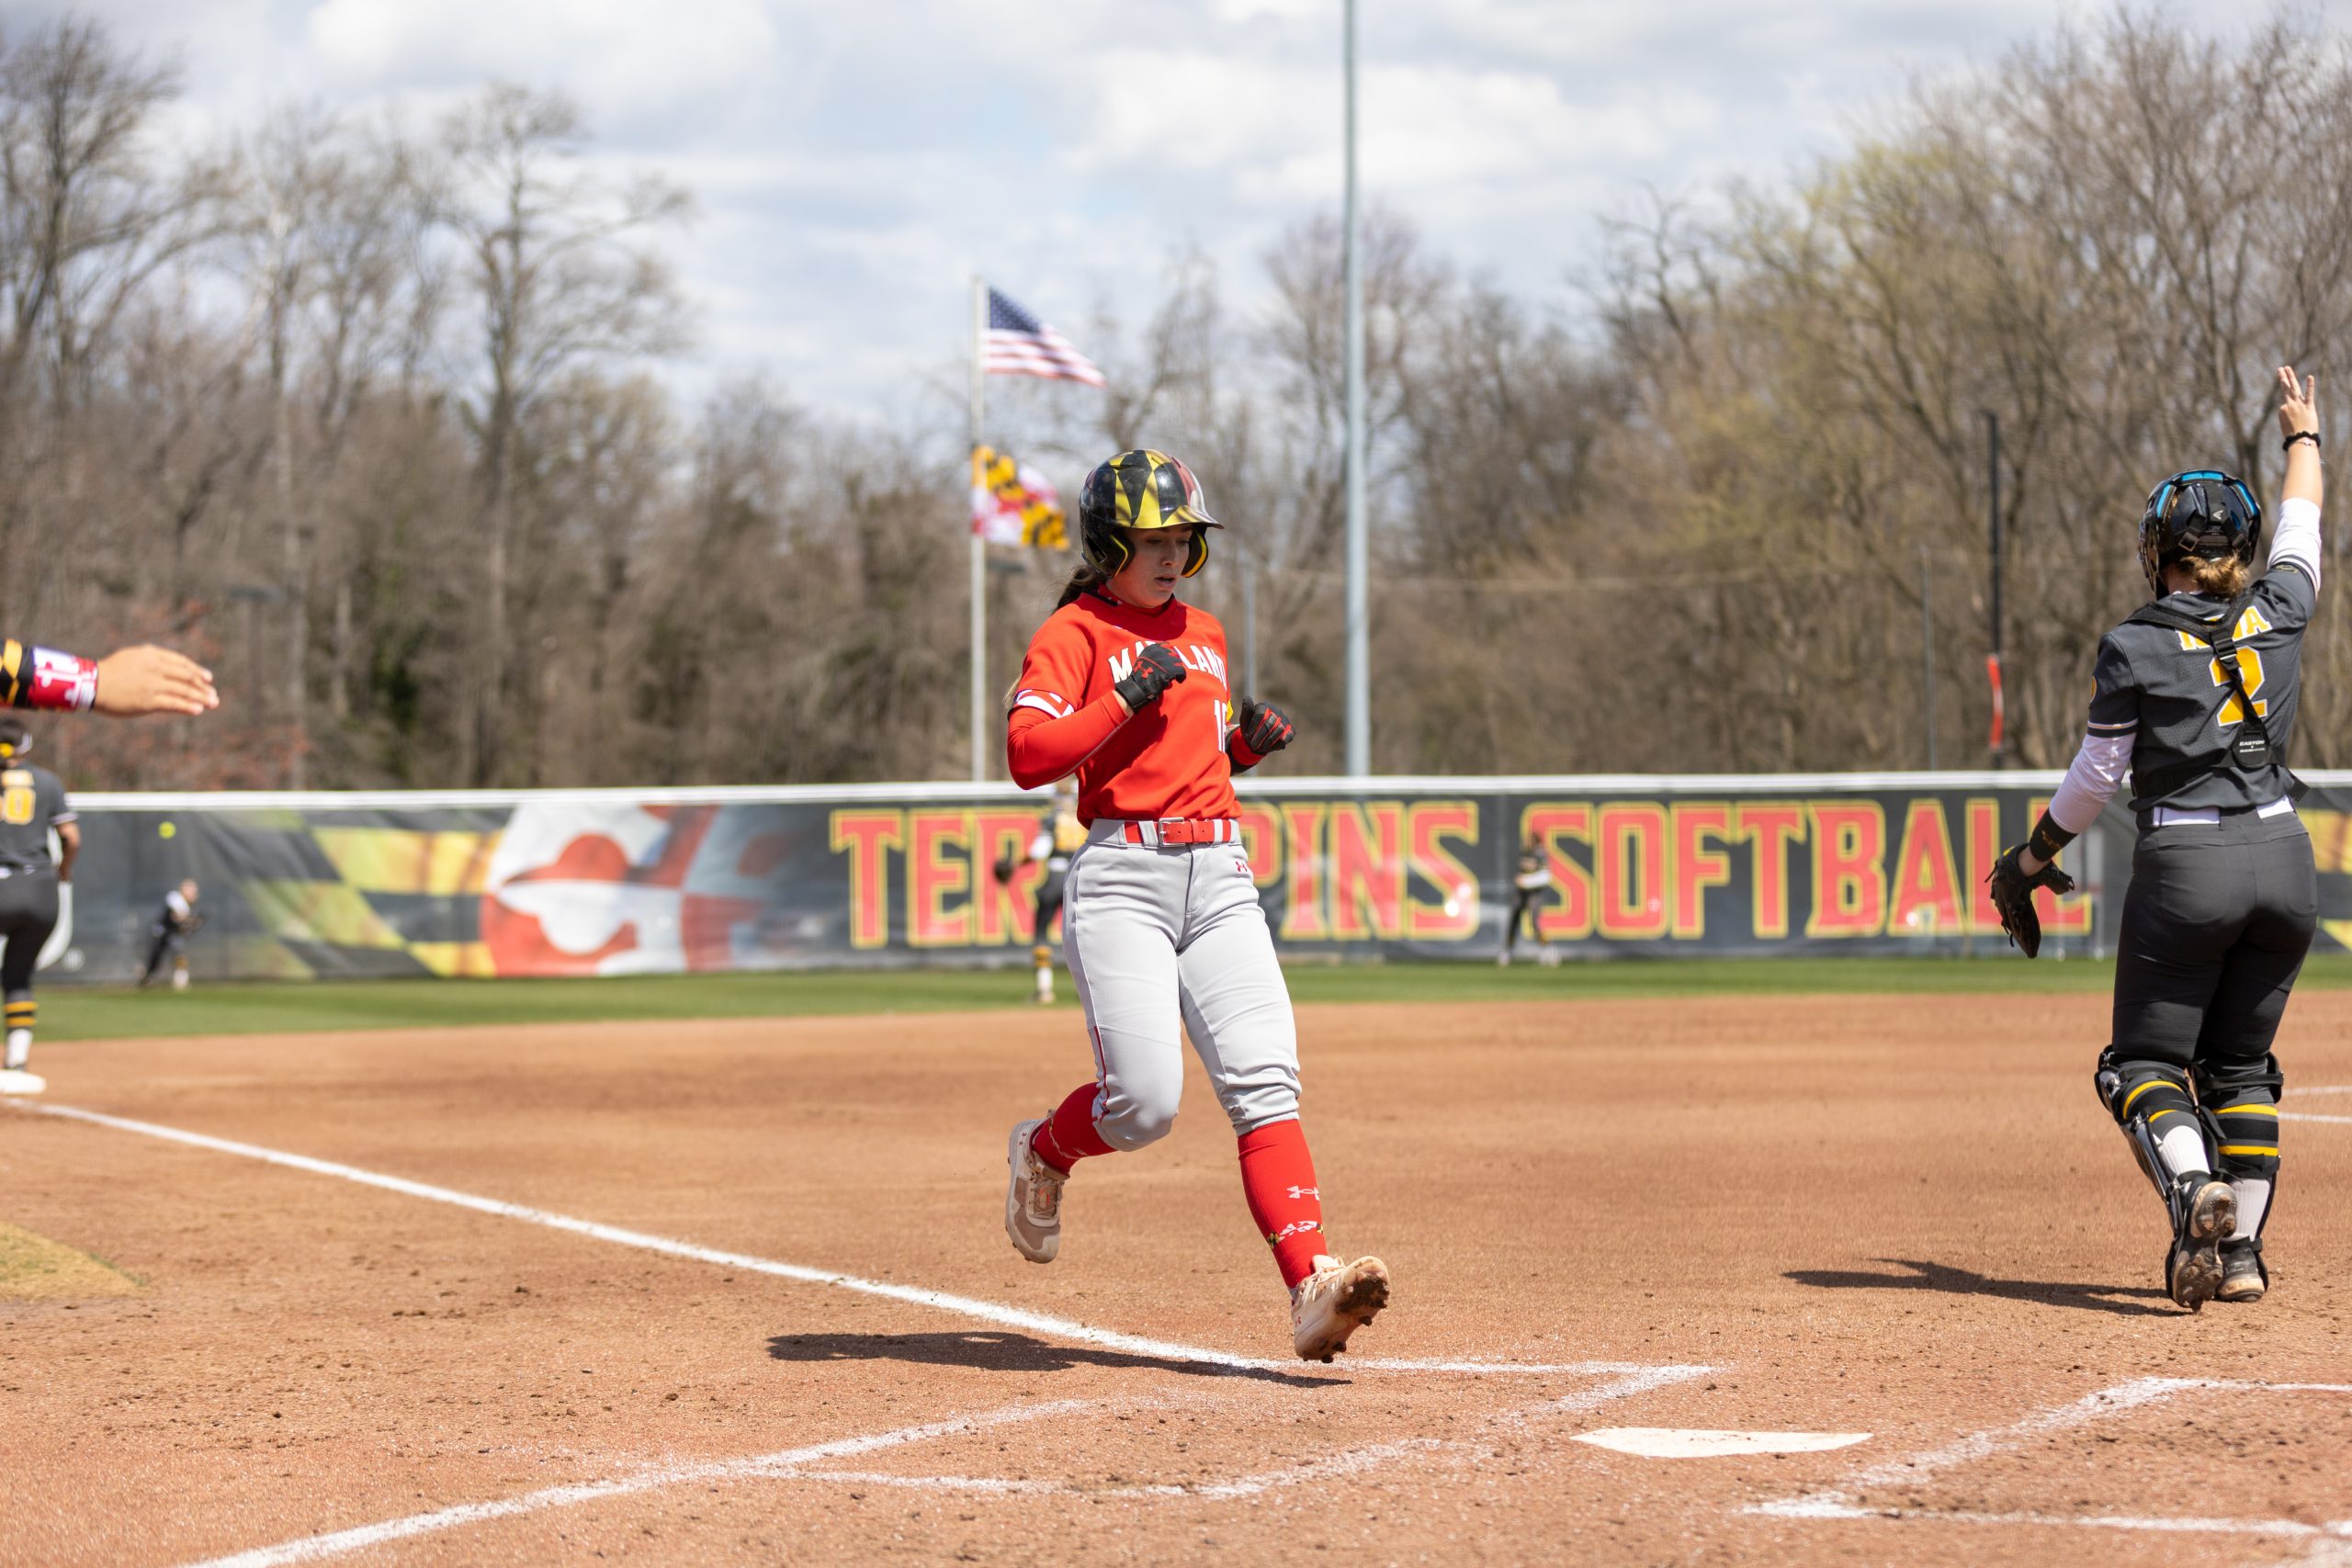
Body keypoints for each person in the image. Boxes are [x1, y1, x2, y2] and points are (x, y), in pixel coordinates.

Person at [998, 448, 1390, 1363]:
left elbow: (1185, 755)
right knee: (1141, 1107)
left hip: (1217, 873)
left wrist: (1240, 753)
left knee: (1265, 1085)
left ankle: (1311, 1285)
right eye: (1151, 540)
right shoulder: (1074, 632)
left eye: (1182, 538)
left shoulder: (1203, 630)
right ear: (1107, 545)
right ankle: (1045, 1153)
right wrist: (1122, 699)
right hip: (1122, 880)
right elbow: (1028, 754)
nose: (1171, 554)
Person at [1989, 365, 2324, 1313]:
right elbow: (2304, 522)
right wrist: (2302, 435)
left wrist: (2030, 856)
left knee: (2136, 1066)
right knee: (2241, 1070)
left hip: (2188, 864)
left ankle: (2190, 1188)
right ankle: (2244, 1257)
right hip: (2283, 860)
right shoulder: (2282, 609)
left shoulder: (2133, 643)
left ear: (2159, 551)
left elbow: (2098, 778)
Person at [0, 719, 78, 1094]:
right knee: (18, 976)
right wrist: (63, 871)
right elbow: (70, 837)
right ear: (25, 747)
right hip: (38, 887)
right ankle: (16, 1063)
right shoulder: (47, 781)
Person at [995, 777, 1086, 1004]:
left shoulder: (1053, 818)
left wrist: (1015, 862)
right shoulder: (1082, 817)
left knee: (1042, 932)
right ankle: (1086, 989)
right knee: (1081, 936)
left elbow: (1040, 850)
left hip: (1055, 878)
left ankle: (1044, 990)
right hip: (1078, 878)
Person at [1499, 829, 1559, 967]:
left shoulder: (1540, 854)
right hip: (1521, 893)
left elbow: (1546, 876)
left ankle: (1549, 950)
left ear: (1535, 841)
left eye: (1529, 840)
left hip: (1534, 893)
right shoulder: (1525, 853)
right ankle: (1508, 950)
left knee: (1535, 924)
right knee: (1513, 921)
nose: (1525, 842)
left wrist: (1526, 881)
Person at [141, 879, 203, 990]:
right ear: (183, 890)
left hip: (173, 934)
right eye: (191, 890)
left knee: (179, 955)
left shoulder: (187, 905)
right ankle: (147, 977)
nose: (194, 893)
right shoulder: (175, 897)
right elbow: (178, 917)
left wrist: (191, 924)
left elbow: (182, 926)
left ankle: (180, 982)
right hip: (161, 932)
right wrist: (192, 921)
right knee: (156, 958)